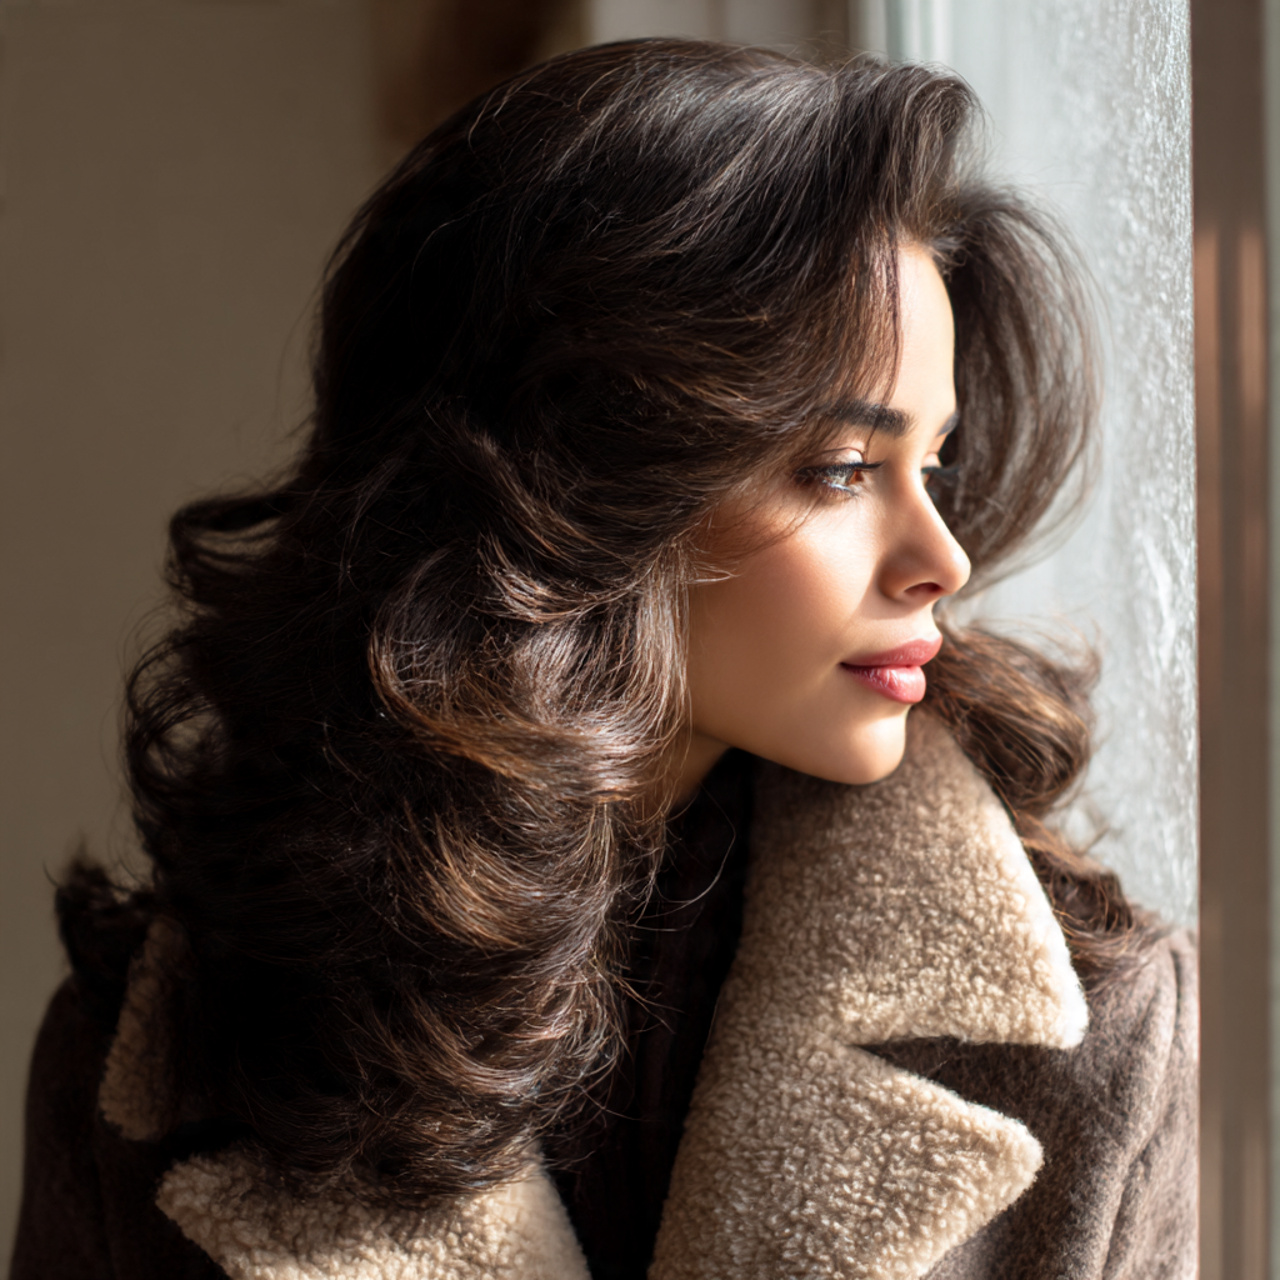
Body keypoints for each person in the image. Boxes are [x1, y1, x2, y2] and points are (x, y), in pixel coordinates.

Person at [12, 38, 1196, 1280]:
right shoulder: (164, 1046)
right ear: (574, 494)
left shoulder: (1100, 1036)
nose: (939, 557)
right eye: (842, 469)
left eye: (932, 463)